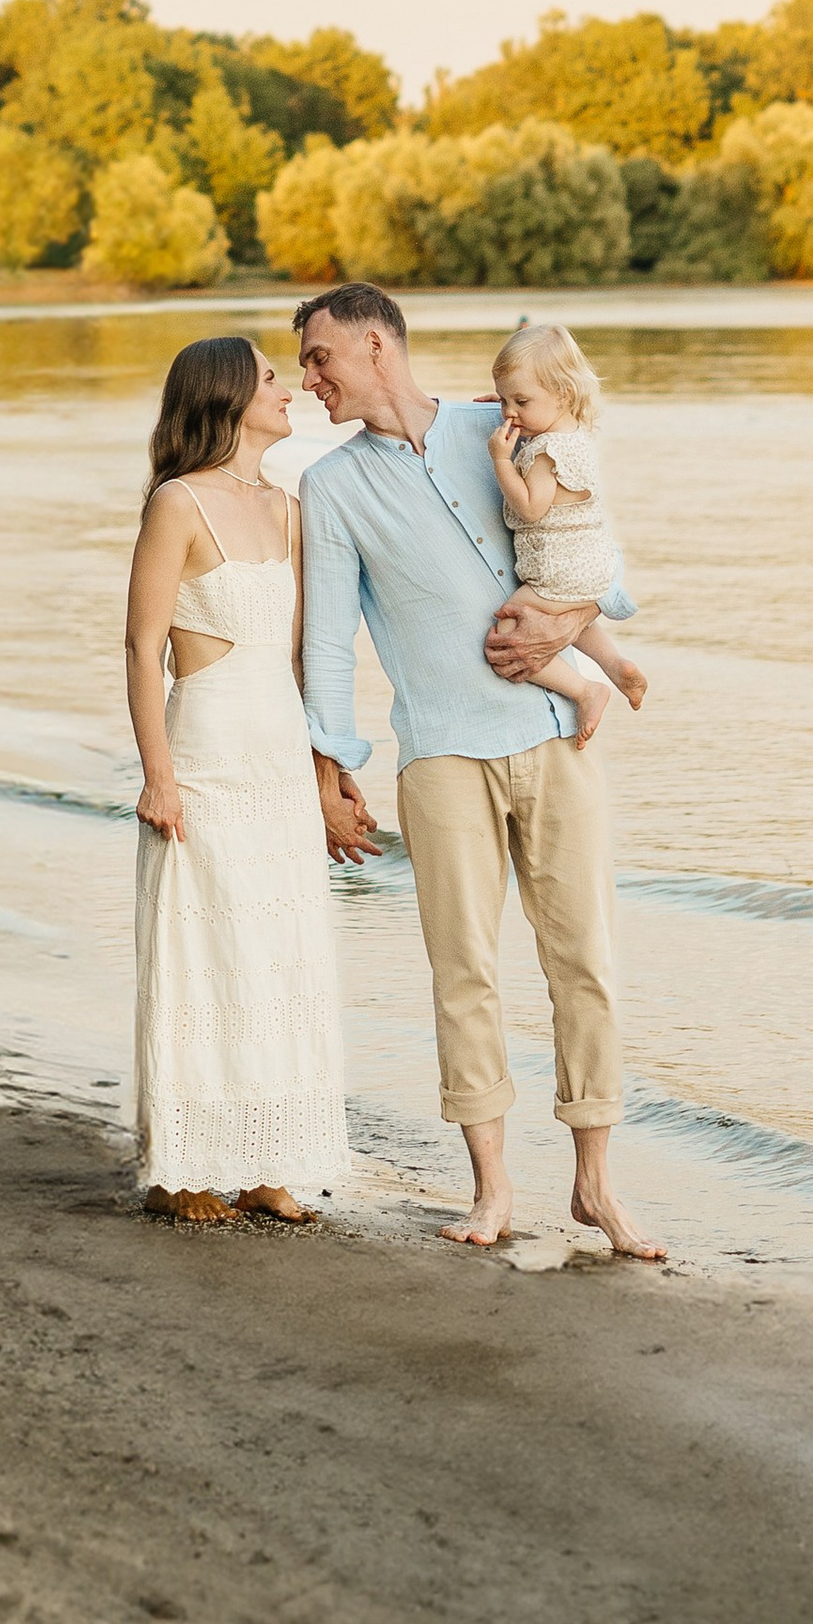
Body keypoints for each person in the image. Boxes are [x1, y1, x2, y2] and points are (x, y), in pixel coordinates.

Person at [294, 282, 665, 1261]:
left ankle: (595, 1182)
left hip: (553, 735)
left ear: (376, 344)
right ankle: (493, 1185)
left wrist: (572, 618)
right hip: (441, 755)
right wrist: (330, 768)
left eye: (318, 356)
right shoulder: (329, 488)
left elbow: (583, 539)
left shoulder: (491, 424)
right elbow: (328, 640)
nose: (307, 380)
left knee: (583, 959)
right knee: (464, 973)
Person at [125, 333, 350, 1228]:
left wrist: (326, 774)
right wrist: (159, 776)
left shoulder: (289, 508)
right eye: (269, 377)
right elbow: (143, 646)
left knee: (280, 958)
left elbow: (303, 655)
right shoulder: (177, 504)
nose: (288, 387)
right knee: (205, 955)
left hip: (277, 755)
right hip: (208, 750)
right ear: (226, 396)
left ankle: (264, 1162)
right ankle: (181, 1169)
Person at [487, 318, 648, 748]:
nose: (508, 413)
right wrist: (514, 407)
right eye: (503, 401)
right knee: (566, 620)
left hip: (555, 574)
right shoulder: (574, 432)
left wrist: (502, 460)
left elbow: (531, 508)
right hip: (594, 570)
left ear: (561, 393)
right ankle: (615, 665)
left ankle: (585, 690)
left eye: (520, 400)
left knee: (506, 637)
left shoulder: (544, 453)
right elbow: (531, 410)